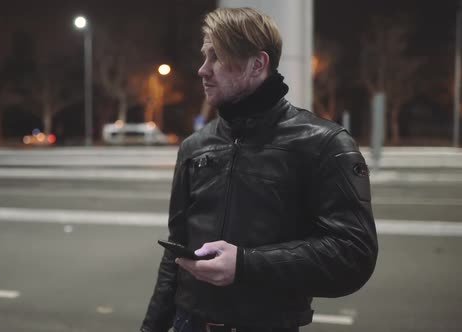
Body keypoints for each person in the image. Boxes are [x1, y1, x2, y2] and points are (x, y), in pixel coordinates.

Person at [141, 7, 378, 332]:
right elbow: (175, 257)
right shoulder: (194, 147)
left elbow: (353, 254)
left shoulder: (324, 144)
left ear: (258, 64)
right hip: (190, 323)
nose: (202, 70)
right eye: (203, 56)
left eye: (217, 57)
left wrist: (245, 264)